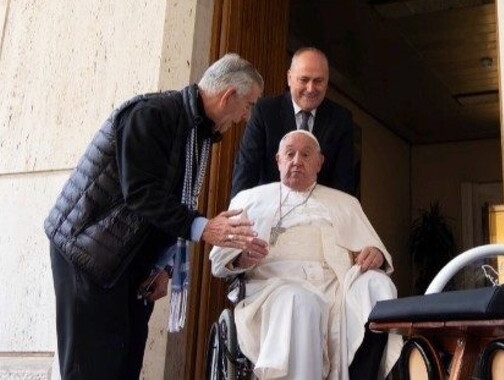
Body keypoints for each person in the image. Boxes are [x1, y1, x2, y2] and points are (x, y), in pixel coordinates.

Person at [45, 53, 268, 380]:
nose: (246, 117)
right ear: (228, 95)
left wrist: (164, 266)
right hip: (88, 254)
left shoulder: (198, 132)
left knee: (125, 365)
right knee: (91, 368)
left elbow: (172, 202)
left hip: (130, 265)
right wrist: (204, 228)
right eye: (248, 105)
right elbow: (141, 193)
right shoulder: (152, 113)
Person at [210, 130, 400, 379]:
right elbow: (218, 263)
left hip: (337, 286)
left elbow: (373, 249)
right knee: (302, 301)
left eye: (306, 154)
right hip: (273, 288)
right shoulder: (249, 199)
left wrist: (375, 254)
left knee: (379, 285)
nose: (296, 161)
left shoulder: (345, 203)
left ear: (319, 162)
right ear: (278, 160)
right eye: (290, 154)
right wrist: (241, 258)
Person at [230, 47, 356, 198]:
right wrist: (237, 215)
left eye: (318, 81)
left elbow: (343, 183)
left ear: (327, 82)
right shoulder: (265, 112)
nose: (310, 89)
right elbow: (246, 171)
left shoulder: (341, 119)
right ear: (289, 78)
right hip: (270, 212)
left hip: (317, 215)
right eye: (304, 80)